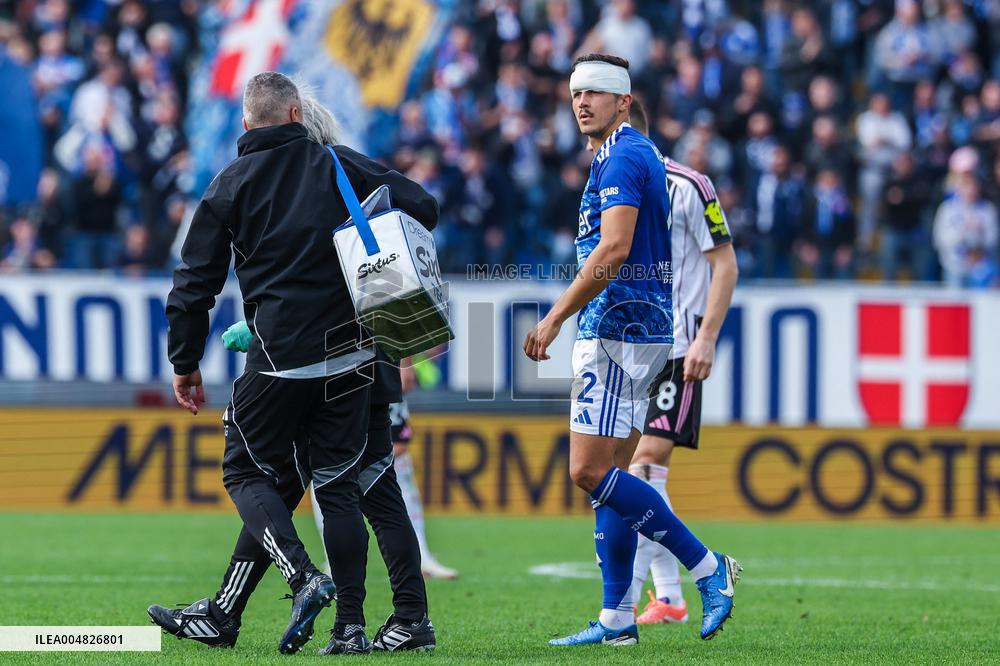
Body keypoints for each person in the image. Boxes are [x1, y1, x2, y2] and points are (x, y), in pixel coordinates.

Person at [151, 72, 437, 655]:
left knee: (245, 472)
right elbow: (424, 206)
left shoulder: (229, 183)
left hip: (282, 357)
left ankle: (305, 577)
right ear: (294, 115)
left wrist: (185, 361)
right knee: (337, 487)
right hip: (353, 357)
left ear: (246, 122)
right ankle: (341, 626)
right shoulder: (337, 163)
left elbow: (193, 285)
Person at [523, 54, 740, 647]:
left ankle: (706, 569)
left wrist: (555, 317)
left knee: (587, 470)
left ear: (623, 100)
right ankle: (618, 620)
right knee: (612, 475)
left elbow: (614, 249)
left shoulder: (623, 155)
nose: (581, 102)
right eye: (575, 94)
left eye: (594, 92)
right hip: (636, 329)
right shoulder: (626, 154)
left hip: (617, 330)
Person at [623, 101, 739, 626]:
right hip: (627, 351)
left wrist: (707, 339)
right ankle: (668, 596)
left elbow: (725, 264)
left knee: (643, 465)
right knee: (642, 475)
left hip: (677, 350)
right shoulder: (609, 191)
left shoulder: (689, 186)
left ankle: (624, 604)